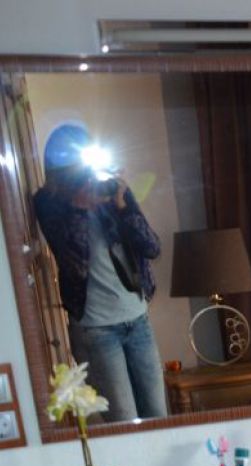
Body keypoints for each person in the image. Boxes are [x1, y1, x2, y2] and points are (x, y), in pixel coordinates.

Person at [32, 124, 167, 421]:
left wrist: (123, 206)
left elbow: (151, 247)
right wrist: (80, 207)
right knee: (123, 421)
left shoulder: (109, 189)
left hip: (138, 320)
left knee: (158, 416)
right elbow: (72, 263)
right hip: (96, 330)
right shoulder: (49, 202)